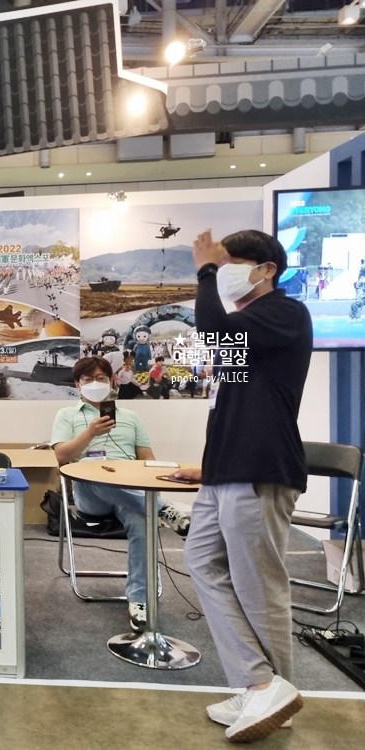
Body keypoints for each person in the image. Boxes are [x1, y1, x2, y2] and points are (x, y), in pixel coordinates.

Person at [176, 229, 312, 742]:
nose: (222, 271)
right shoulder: (247, 328)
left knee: (258, 583)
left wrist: (205, 269)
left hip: (260, 467)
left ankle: (272, 692)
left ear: (266, 269)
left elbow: (212, 331)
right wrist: (208, 464)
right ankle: (259, 682)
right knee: (201, 562)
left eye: (231, 262)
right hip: (225, 469)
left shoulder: (284, 313)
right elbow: (229, 405)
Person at [51, 356, 191, 633]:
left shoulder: (130, 417)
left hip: (129, 489)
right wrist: (90, 432)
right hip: (92, 497)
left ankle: (139, 600)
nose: (94, 383)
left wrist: (148, 476)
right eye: (88, 379)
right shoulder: (66, 415)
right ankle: (164, 509)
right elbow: (62, 457)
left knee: (142, 521)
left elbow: (147, 458)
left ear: (112, 381)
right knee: (90, 468)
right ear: (78, 384)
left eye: (101, 378)